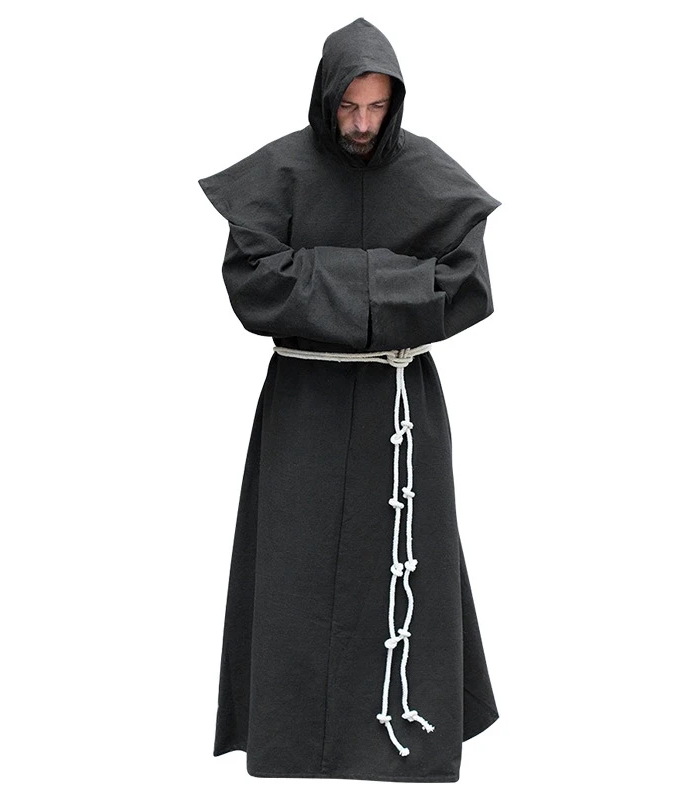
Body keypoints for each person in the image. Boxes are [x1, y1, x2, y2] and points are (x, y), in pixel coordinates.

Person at [197, 17, 501, 783]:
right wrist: (392, 280)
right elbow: (253, 285)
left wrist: (322, 274)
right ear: (325, 97)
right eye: (348, 107)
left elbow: (466, 286)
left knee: (403, 565)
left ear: (395, 102)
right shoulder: (281, 170)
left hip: (402, 406)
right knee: (293, 570)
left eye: (376, 107)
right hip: (305, 404)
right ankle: (291, 742)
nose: (362, 124)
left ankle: (404, 735)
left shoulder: (428, 171)